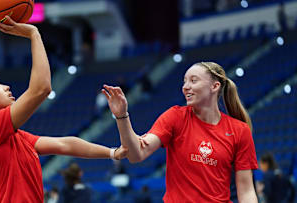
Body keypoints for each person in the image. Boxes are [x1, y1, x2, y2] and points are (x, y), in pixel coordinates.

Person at [0, 16, 128, 203]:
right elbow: (41, 89)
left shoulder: (18, 137)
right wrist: (34, 34)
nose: (6, 86)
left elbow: (65, 145)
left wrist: (112, 152)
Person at [102, 62, 258, 202]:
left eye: (193, 80)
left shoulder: (239, 130)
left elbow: (246, 191)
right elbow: (136, 154)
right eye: (184, 81)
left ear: (214, 86)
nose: (185, 86)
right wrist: (122, 116)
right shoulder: (175, 117)